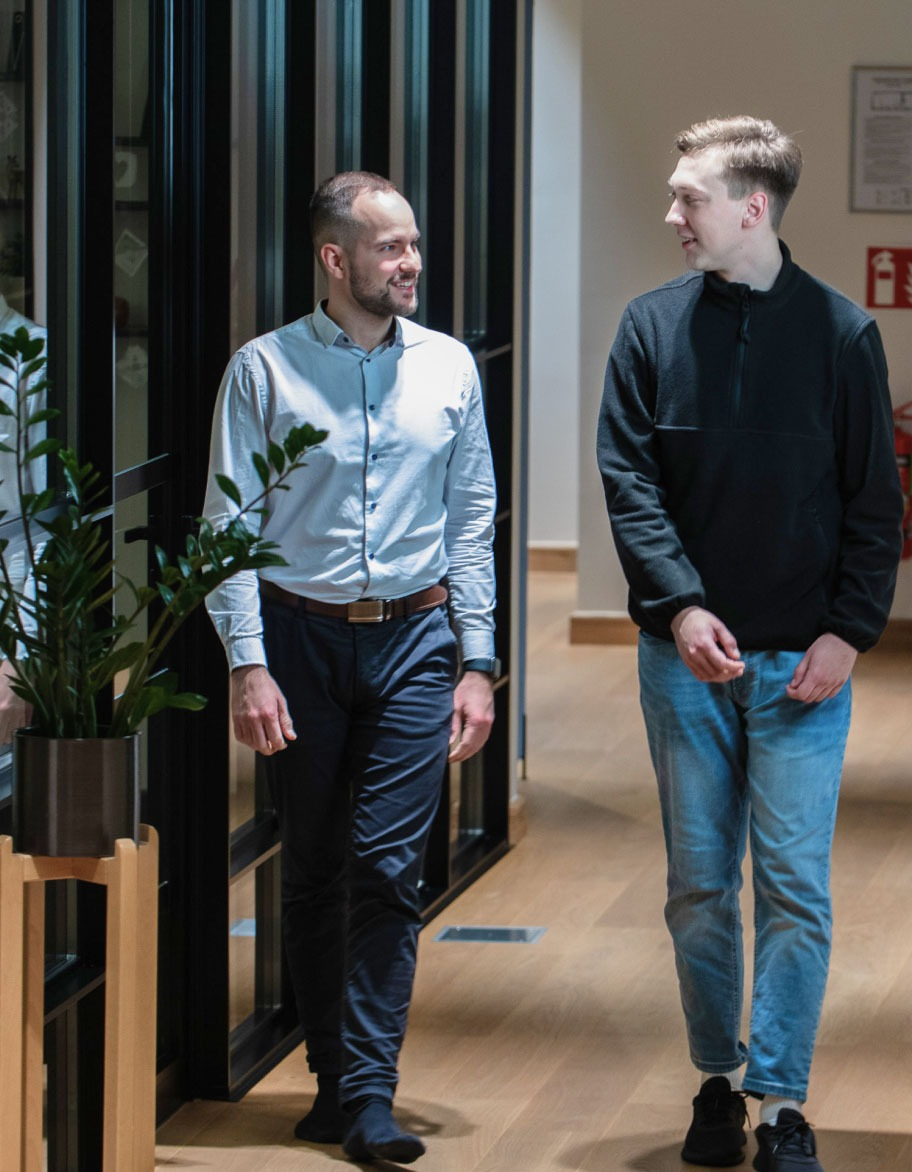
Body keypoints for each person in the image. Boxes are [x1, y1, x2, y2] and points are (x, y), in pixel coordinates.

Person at [597, 117, 903, 1172]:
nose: (671, 213)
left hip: (801, 672)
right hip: (680, 661)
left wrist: (847, 634)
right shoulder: (648, 329)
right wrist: (680, 608)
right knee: (695, 886)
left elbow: (876, 505)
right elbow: (629, 487)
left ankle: (781, 1100)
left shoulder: (841, 336)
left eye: (689, 196)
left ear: (752, 208)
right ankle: (717, 1081)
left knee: (793, 886)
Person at [204, 171, 498, 1165]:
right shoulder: (263, 371)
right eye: (391, 248)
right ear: (336, 260)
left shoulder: (452, 367)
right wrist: (250, 664)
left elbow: (471, 521)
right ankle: (332, 1079)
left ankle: (371, 1090)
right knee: (318, 859)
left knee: (385, 865)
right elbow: (228, 528)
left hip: (417, 639)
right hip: (300, 640)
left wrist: (479, 660)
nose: (411, 262)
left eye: (414, 244)